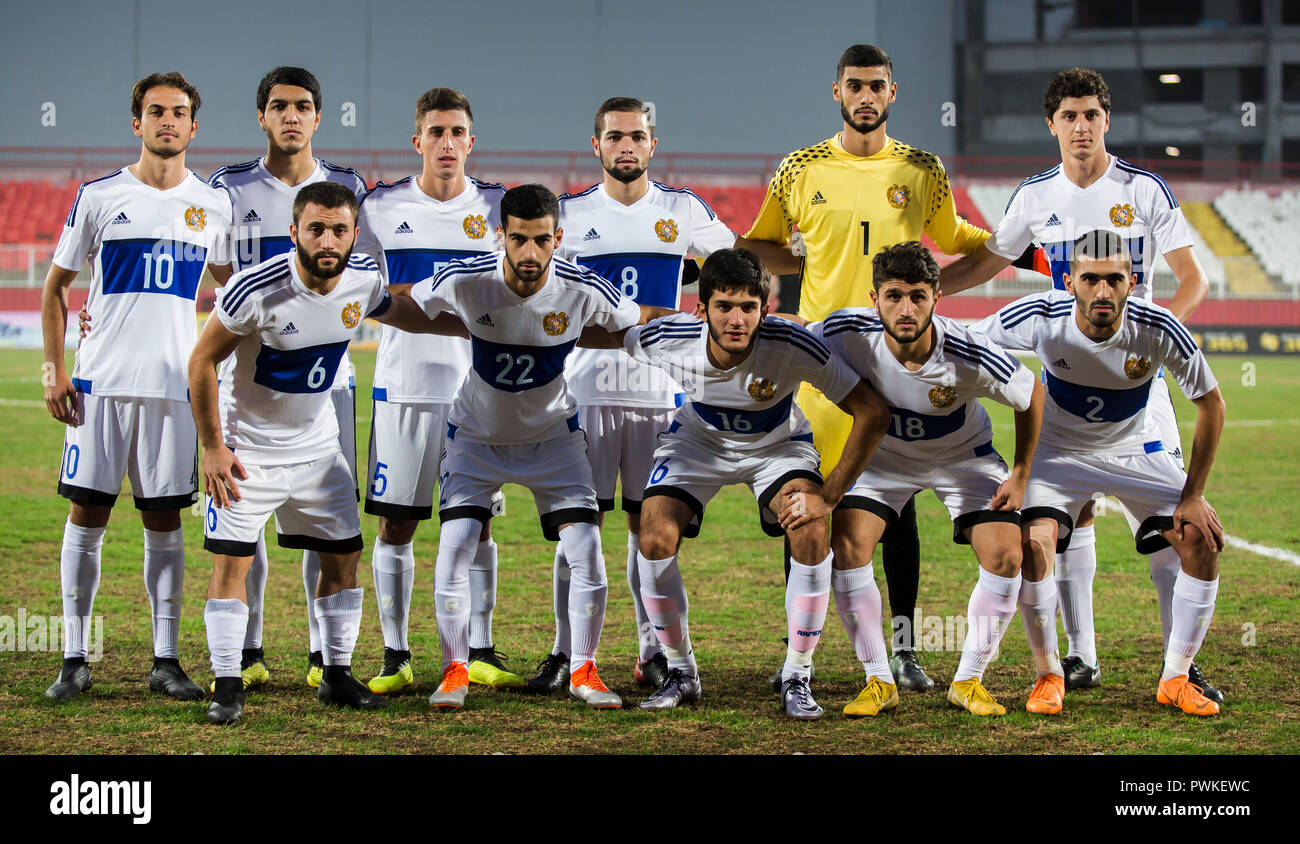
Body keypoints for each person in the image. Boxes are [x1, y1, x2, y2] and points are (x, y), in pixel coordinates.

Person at [736, 44, 1034, 691]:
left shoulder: (922, 169)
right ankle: (801, 660)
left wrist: (942, 291)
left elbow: (967, 245)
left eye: (876, 86)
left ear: (892, 93)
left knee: (895, 514)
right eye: (854, 86)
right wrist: (804, 259)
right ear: (836, 92)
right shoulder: (800, 168)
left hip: (894, 366)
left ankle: (904, 653)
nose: (865, 96)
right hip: (822, 368)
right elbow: (755, 243)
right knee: (805, 511)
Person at [940, 67, 1219, 701]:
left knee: (1165, 536)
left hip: (1138, 389)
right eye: (1069, 116)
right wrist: (936, 289)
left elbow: (1192, 278)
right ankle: (1077, 657)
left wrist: (1158, 338)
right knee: (1070, 516)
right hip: (1067, 374)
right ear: (1052, 125)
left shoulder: (1143, 189)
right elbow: (991, 261)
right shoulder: (1035, 195)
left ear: (1106, 120)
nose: (1082, 126)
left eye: (1092, 114)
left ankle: (1181, 665)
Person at [189, 181, 461, 725]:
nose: (328, 239)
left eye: (339, 229)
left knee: (344, 558)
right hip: (250, 454)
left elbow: (402, 312)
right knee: (231, 563)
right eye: (316, 228)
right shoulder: (253, 289)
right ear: (295, 233)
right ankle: (225, 684)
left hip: (317, 452)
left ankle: (336, 675)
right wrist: (213, 448)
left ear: (355, 233)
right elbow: (200, 362)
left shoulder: (362, 279)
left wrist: (482, 325)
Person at [409, 184, 670, 711]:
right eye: (520, 240)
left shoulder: (582, 287)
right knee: (456, 542)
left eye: (543, 241)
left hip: (553, 438)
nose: (531, 254)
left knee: (587, 550)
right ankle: (454, 670)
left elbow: (631, 321)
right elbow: (409, 302)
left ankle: (584, 669)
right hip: (476, 439)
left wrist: (701, 328)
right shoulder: (465, 278)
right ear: (499, 235)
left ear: (559, 238)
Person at [622, 248, 889, 719]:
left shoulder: (793, 345)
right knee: (653, 536)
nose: (737, 319)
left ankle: (797, 674)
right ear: (701, 308)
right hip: (697, 443)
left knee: (810, 532)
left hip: (777, 446)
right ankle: (682, 671)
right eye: (724, 306)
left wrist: (829, 496)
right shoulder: (669, 336)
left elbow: (872, 412)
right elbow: (605, 330)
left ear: (765, 309)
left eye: (749, 307)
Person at [531, 96, 737, 694]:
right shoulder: (568, 214)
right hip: (585, 394)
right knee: (579, 526)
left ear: (653, 144)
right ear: (596, 146)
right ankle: (566, 652)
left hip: (659, 396)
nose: (627, 145)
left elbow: (733, 264)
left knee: (648, 526)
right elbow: (538, 290)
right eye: (615, 136)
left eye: (637, 136)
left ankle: (655, 651)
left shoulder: (682, 209)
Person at [976, 230, 1225, 716]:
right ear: (1069, 281)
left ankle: (1175, 677)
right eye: (1091, 279)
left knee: (1200, 538)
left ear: (1133, 282)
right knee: (1033, 546)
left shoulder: (1160, 327)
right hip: (1059, 452)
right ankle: (1049, 672)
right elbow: (965, 344)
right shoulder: (1039, 316)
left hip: (1136, 449)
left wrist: (1193, 494)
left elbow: (1212, 406)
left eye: (1115, 280)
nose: (1103, 292)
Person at [41, 72, 233, 702]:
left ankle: (166, 659)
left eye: (179, 113)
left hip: (174, 392)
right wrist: (55, 368)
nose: (168, 122)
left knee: (163, 524)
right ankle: (74, 657)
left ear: (193, 126)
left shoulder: (215, 206)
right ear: (137, 123)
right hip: (99, 386)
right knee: (86, 516)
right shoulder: (98, 196)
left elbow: (235, 299)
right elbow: (55, 288)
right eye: (156, 112)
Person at [810, 241, 1043, 716]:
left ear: (937, 296)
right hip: (885, 459)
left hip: (964, 457)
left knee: (1006, 554)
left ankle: (969, 680)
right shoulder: (844, 331)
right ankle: (878, 680)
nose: (906, 308)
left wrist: (1019, 474)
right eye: (893, 295)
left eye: (918, 296)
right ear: (874, 298)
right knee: (849, 548)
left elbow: (1032, 394)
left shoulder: (968, 350)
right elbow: (791, 346)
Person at [205, 67, 368, 691]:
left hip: (329, 382)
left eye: (303, 106)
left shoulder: (346, 186)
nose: (291, 116)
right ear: (262, 116)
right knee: (246, 527)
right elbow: (218, 266)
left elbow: (365, 272)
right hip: (250, 376)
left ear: (318, 117)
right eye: (279, 106)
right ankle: (243, 653)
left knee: (326, 516)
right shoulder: (229, 187)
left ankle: (322, 656)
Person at [354, 88, 518, 695]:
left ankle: (481, 648)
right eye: (435, 132)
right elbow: (366, 295)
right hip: (402, 391)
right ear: (417, 140)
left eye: (457, 133)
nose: (447, 143)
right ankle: (396, 654)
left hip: (478, 395)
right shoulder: (379, 207)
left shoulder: (499, 209)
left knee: (478, 527)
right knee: (396, 524)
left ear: (471, 142)